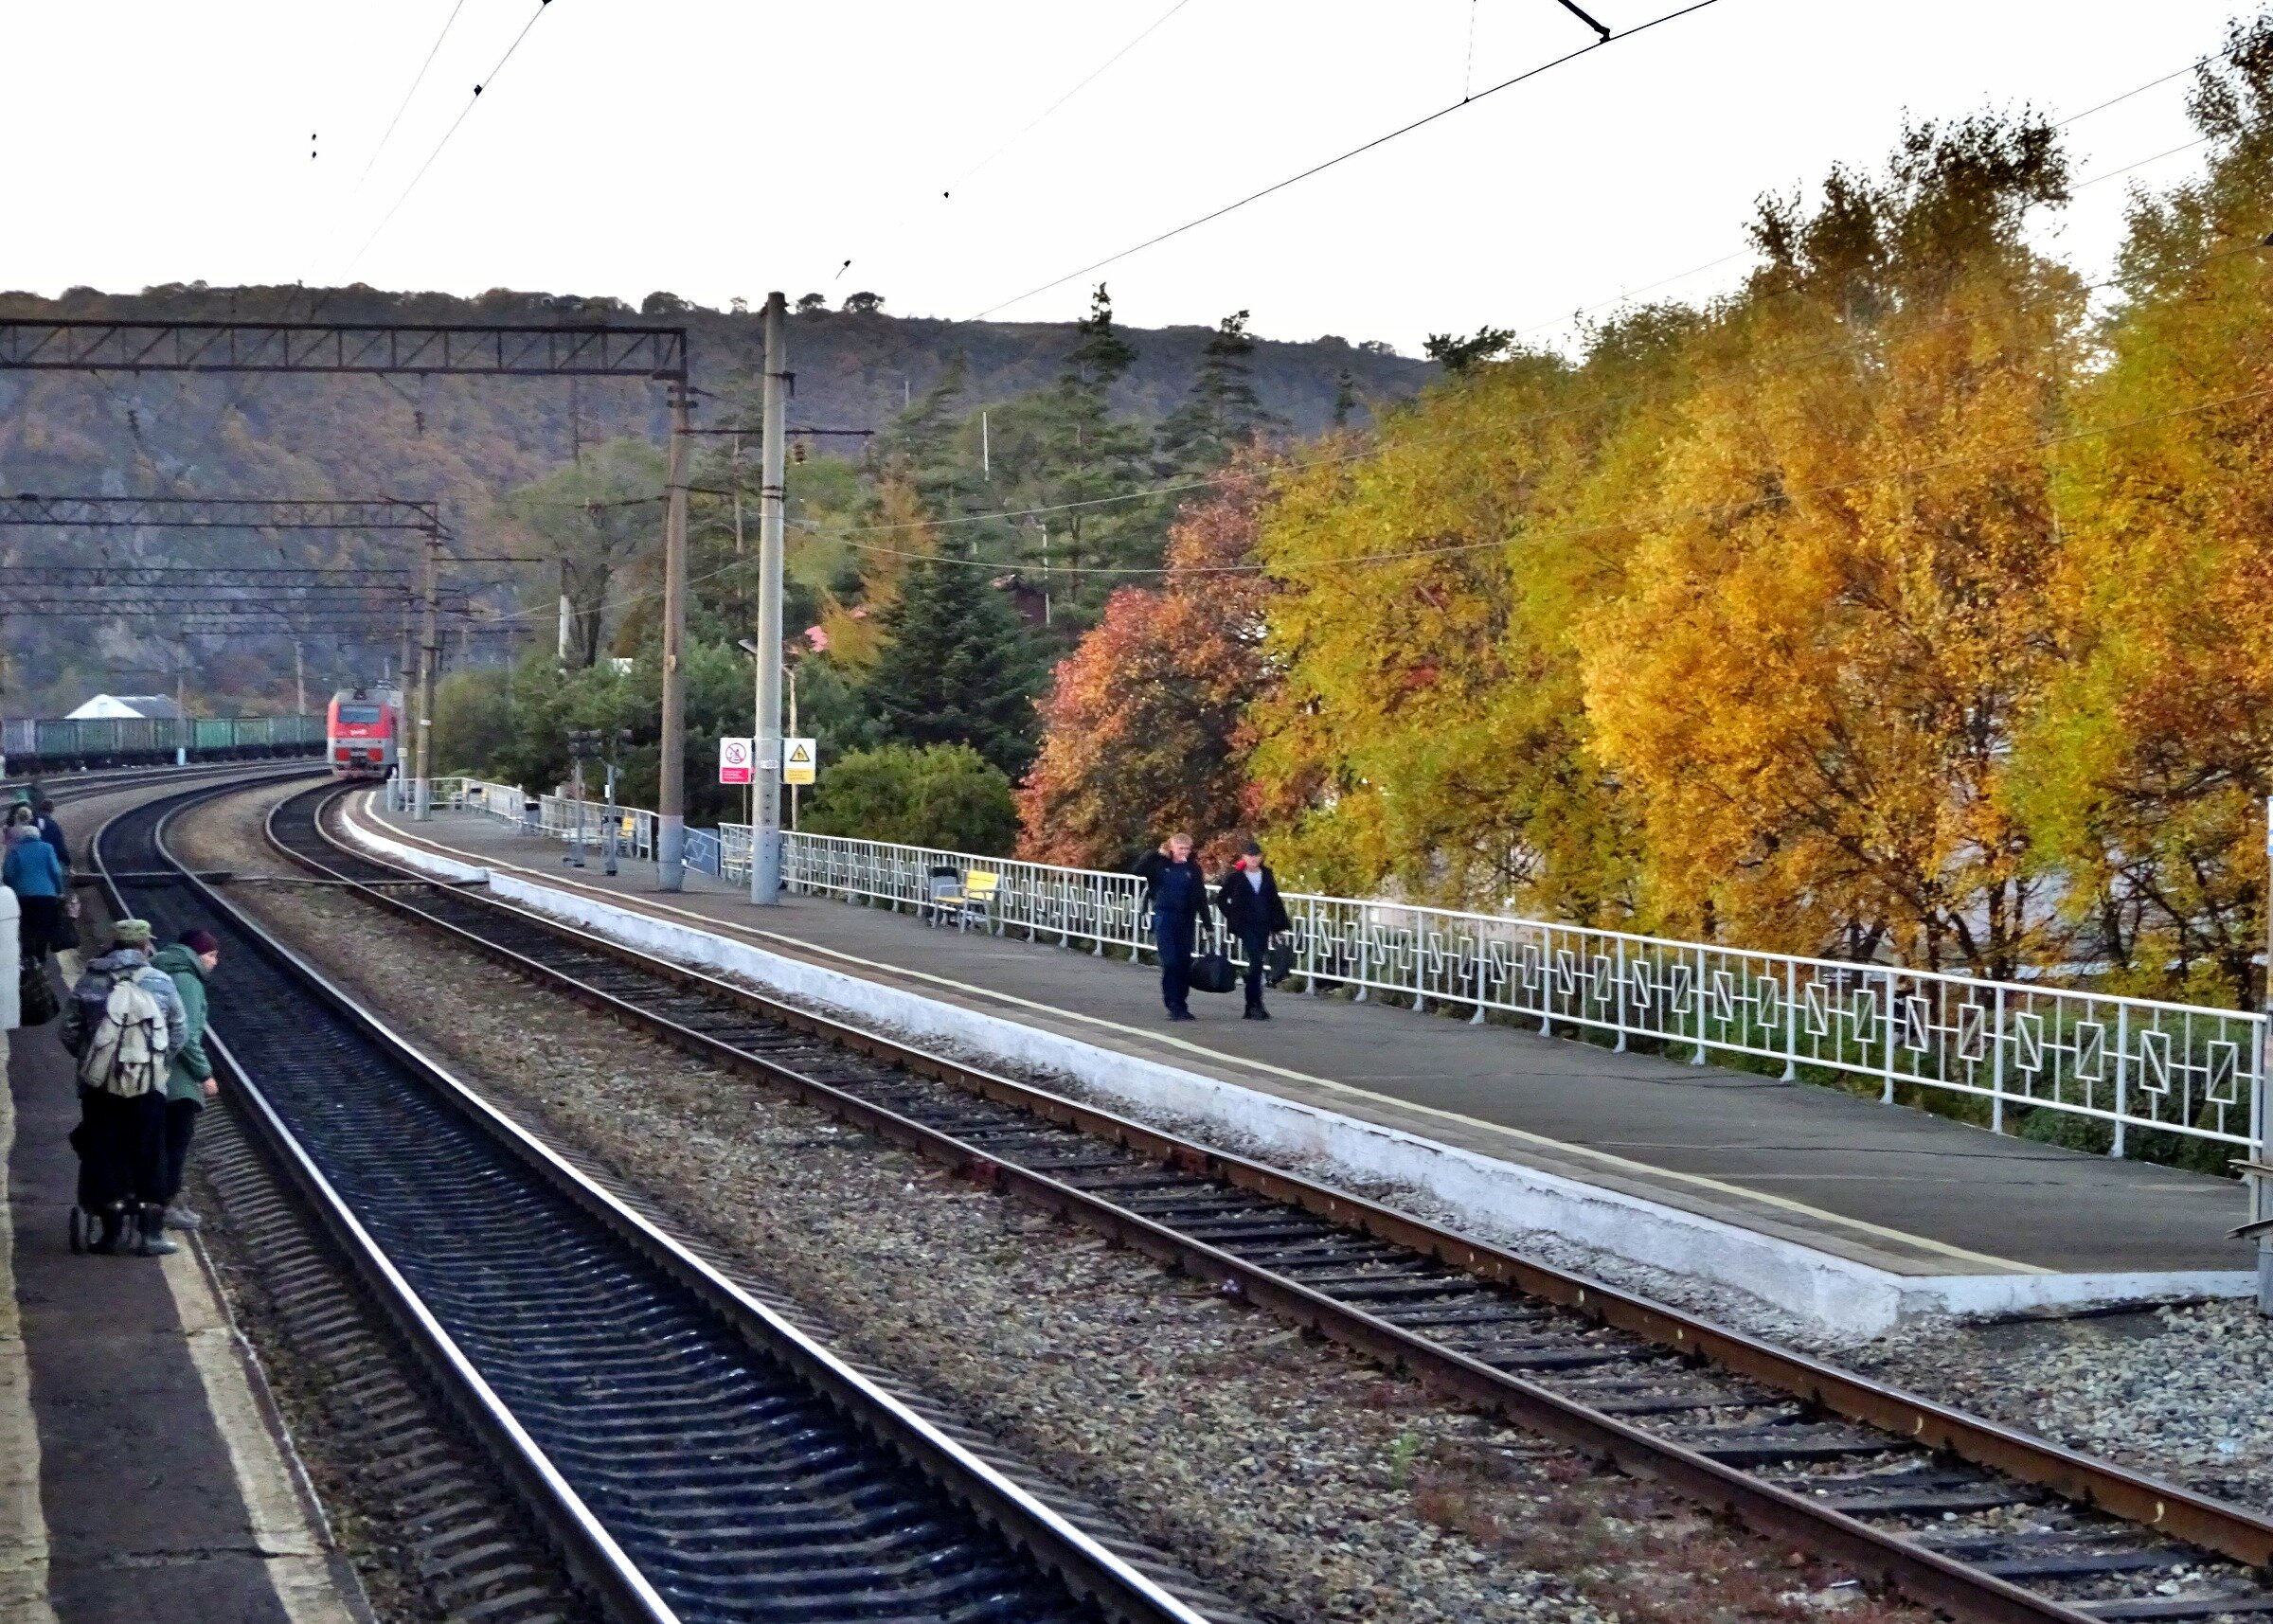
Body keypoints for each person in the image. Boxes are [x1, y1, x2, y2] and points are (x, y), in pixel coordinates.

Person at [61, 919, 186, 1257]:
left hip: (100, 1088)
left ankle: (111, 1233)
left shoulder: (91, 979)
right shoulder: (161, 981)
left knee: (103, 1150)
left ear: (114, 944)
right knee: (150, 1151)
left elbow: (69, 1030)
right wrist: (154, 1067)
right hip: (148, 1086)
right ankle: (150, 1235)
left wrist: (92, 1061)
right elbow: (178, 1033)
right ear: (145, 946)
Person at [150, 929, 220, 1233]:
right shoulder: (188, 981)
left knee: (155, 1141)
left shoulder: (157, 967)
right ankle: (164, 1208)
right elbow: (187, 1037)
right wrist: (204, 1073)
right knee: (175, 1143)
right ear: (196, 953)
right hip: (177, 1078)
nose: (215, 962)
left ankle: (154, 1201)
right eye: (212, 955)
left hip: (151, 1071)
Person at [1216, 840, 1293, 1021]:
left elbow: (1274, 901)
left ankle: (1255, 1004)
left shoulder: (1266, 874)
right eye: (1250, 855)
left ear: (1261, 857)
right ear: (1244, 857)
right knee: (1257, 962)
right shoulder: (1235, 877)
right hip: (1246, 926)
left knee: (1257, 963)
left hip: (1263, 924)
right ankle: (1253, 1003)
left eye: (1256, 855)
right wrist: (1233, 917)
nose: (1253, 859)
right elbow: (1221, 899)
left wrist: (1279, 926)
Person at [1151, 833, 1208, 1023]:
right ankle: (1172, 1004)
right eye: (1180, 848)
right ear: (1172, 848)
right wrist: (1157, 854)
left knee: (1183, 963)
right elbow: (1138, 869)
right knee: (1170, 962)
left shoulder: (1193, 869)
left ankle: (1181, 1003)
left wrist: (1208, 925)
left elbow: (1201, 898)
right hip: (1165, 916)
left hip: (1186, 918)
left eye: (1187, 849)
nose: (1184, 852)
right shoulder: (1161, 866)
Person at [4, 822, 64, 969]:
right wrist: (59, 890)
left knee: (26, 926)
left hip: (22, 895)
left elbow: (8, 874)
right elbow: (56, 871)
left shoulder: (15, 850)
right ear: (38, 836)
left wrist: (13, 887)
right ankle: (41, 957)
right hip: (47, 895)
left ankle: (28, 957)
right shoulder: (47, 848)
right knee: (43, 926)